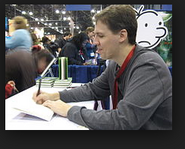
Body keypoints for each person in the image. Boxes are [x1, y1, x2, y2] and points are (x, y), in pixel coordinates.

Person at [33, 5, 172, 130]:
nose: (94, 42)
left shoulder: (148, 67)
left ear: (122, 35)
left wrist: (69, 111)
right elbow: (93, 89)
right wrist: (55, 95)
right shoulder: (115, 64)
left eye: (100, 36)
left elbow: (124, 121)